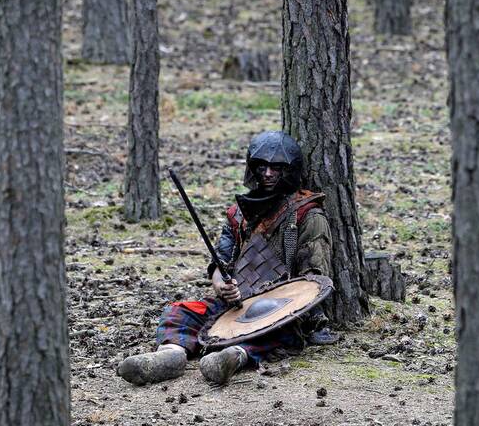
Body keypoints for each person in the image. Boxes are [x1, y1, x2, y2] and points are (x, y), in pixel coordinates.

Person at [118, 131, 334, 386]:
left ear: (290, 169)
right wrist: (221, 284)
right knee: (181, 312)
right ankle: (171, 355)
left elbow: (313, 282)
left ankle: (233, 357)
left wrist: (278, 302)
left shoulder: (307, 217)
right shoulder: (238, 214)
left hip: (281, 307)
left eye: (277, 167)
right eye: (261, 166)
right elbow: (220, 261)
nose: (267, 173)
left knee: (281, 331)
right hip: (236, 305)